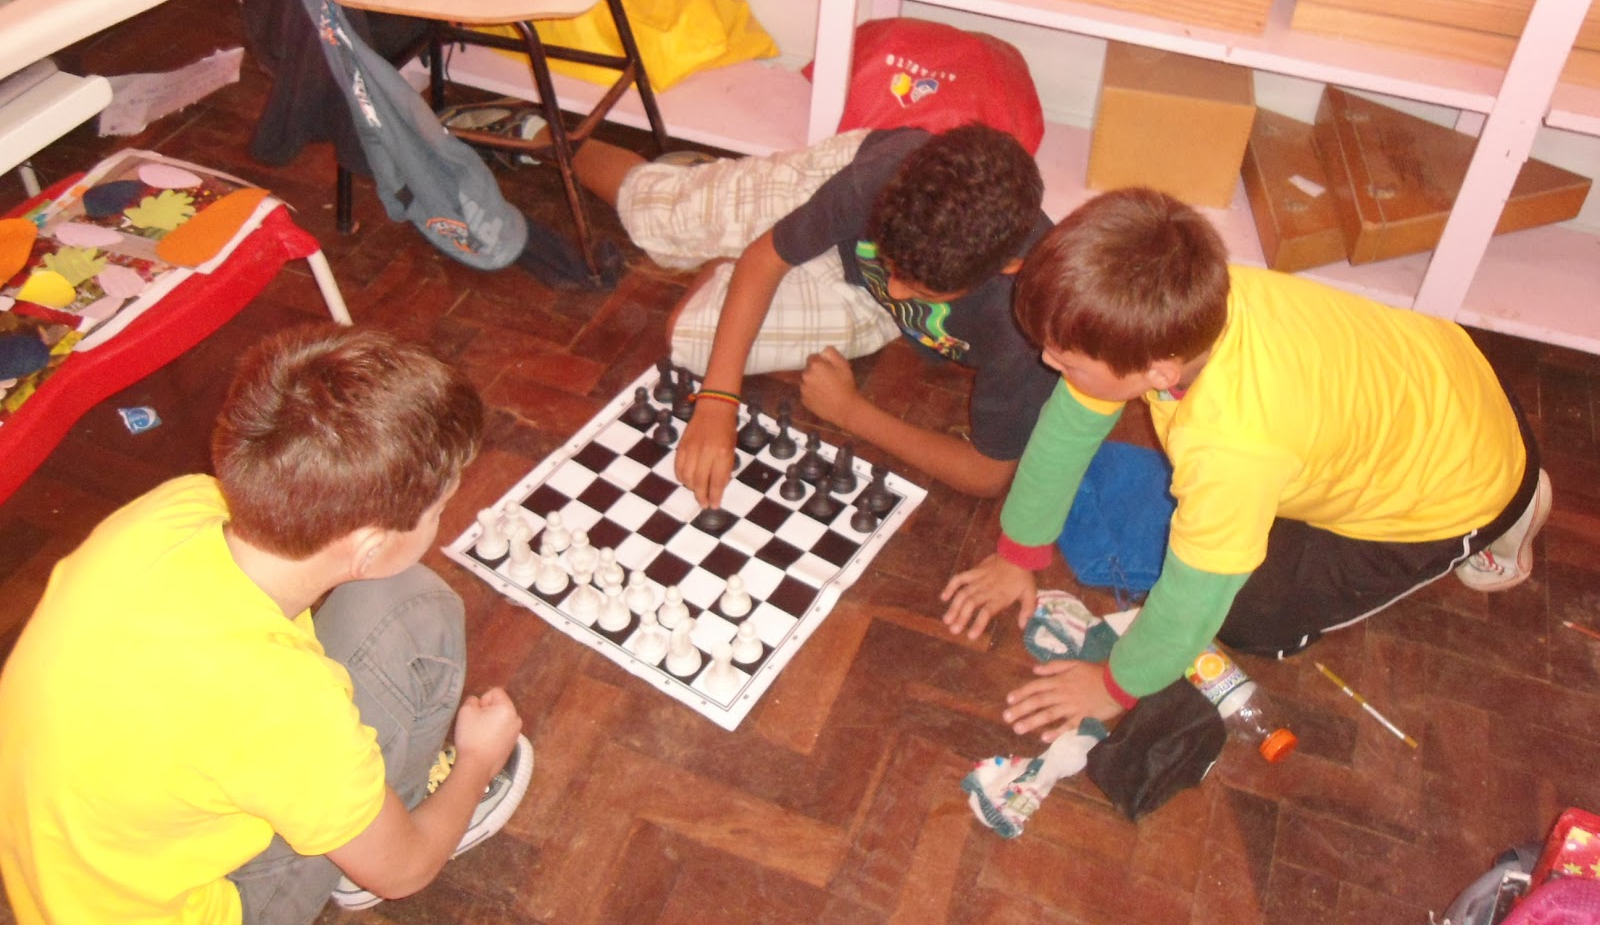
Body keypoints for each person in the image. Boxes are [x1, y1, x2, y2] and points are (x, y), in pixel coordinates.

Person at [941, 187, 1550, 742]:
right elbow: (1068, 427)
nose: (1047, 364)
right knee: (1225, 533)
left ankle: (1510, 519)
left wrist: (1114, 686)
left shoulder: (1229, 451)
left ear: (1158, 372)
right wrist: (1018, 552)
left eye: (1065, 360)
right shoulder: (1189, 301)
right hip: (1448, 374)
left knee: (1250, 617)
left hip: (1464, 486)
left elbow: (1191, 603)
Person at [0, 325, 532, 924]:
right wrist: (477, 760)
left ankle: (349, 824)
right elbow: (404, 873)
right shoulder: (282, 704)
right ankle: (378, 835)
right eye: (437, 511)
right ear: (369, 545)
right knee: (420, 614)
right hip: (184, 908)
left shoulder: (178, 507)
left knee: (403, 600)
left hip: (61, 867)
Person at [569, 123, 1059, 505]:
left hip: (870, 302)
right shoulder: (883, 177)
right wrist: (717, 400)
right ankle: (548, 136)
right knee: (657, 219)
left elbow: (986, 474)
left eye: (922, 289)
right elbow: (766, 259)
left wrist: (851, 412)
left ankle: (727, 248)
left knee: (689, 337)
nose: (897, 289)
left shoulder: (1032, 322)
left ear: (1007, 267)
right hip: (837, 204)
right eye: (893, 265)